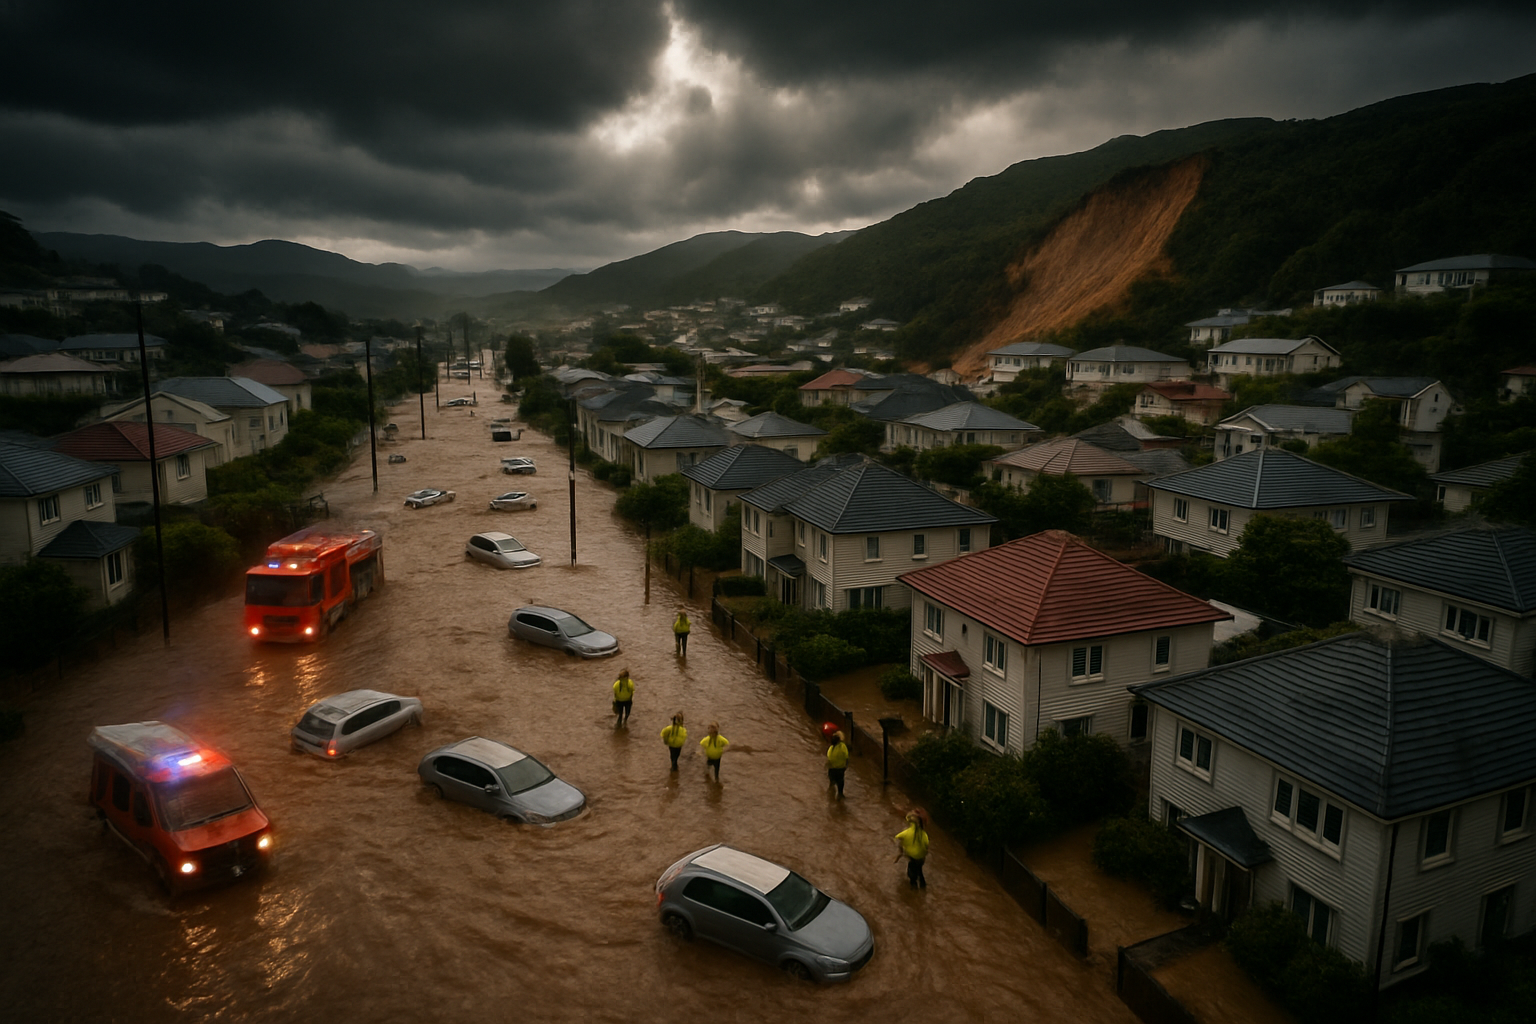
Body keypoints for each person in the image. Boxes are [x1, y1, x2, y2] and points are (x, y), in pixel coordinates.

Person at [893, 809, 929, 890]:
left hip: (913, 858)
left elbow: (898, 838)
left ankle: (914, 891)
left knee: (912, 875)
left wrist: (899, 855)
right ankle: (923, 886)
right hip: (921, 859)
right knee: (920, 871)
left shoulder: (906, 833)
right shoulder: (924, 835)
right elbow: (926, 847)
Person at [825, 730, 850, 798]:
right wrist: (846, 766)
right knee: (839, 783)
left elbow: (829, 757)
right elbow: (846, 757)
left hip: (834, 768)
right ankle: (839, 795)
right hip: (838, 768)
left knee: (834, 782)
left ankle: (834, 794)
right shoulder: (840, 747)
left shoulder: (833, 747)